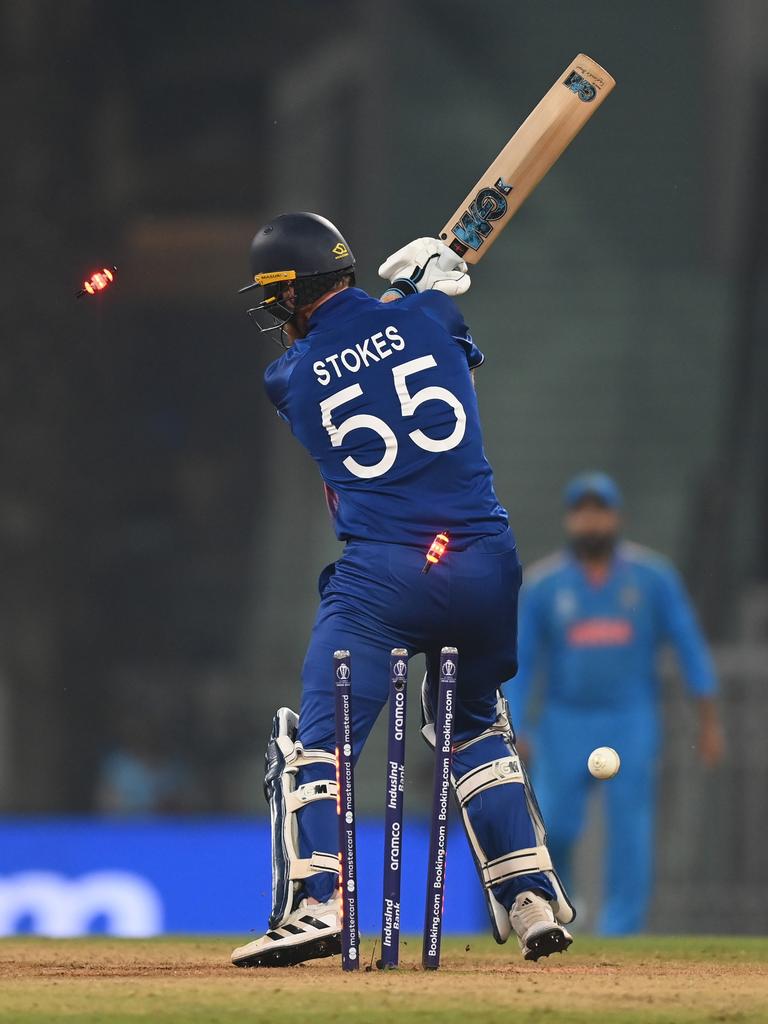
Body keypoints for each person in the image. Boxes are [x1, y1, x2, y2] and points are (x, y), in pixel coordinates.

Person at [229, 216, 575, 967]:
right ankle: (531, 894)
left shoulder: (285, 379)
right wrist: (417, 293)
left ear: (293, 291)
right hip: (484, 561)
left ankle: (320, 903)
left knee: (313, 742)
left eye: (274, 293)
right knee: (474, 725)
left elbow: (338, 367)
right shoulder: (431, 314)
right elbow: (436, 354)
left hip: (385, 575)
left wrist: (398, 301)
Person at [503, 471, 724, 935]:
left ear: (615, 517)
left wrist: (708, 719)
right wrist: (517, 727)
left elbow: (688, 645)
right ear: (570, 520)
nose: (591, 522)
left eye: (599, 511)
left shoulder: (652, 578)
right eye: (582, 513)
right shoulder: (546, 585)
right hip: (566, 720)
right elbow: (522, 662)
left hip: (631, 717)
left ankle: (621, 929)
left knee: (630, 831)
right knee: (555, 825)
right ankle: (562, 909)